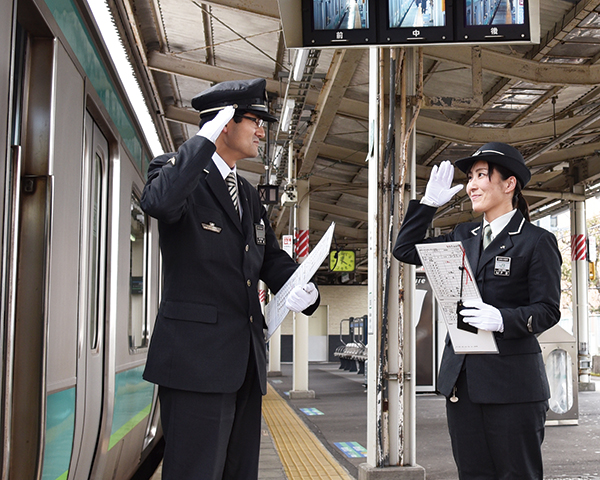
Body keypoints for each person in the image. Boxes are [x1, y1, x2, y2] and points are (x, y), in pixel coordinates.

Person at [141, 78, 321, 480]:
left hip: (244, 365)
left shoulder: (248, 193)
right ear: (224, 123)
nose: (262, 131)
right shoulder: (175, 172)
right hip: (195, 363)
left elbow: (270, 259)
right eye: (254, 120)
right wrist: (200, 143)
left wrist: (303, 288)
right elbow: (158, 203)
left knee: (239, 473)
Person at [393, 142, 562, 479]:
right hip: (463, 385)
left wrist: (502, 319)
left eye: (482, 175)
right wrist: (427, 205)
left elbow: (548, 310)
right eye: (470, 176)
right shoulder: (464, 235)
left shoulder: (535, 241)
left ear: (509, 184)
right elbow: (406, 249)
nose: (471, 184)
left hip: (513, 388)